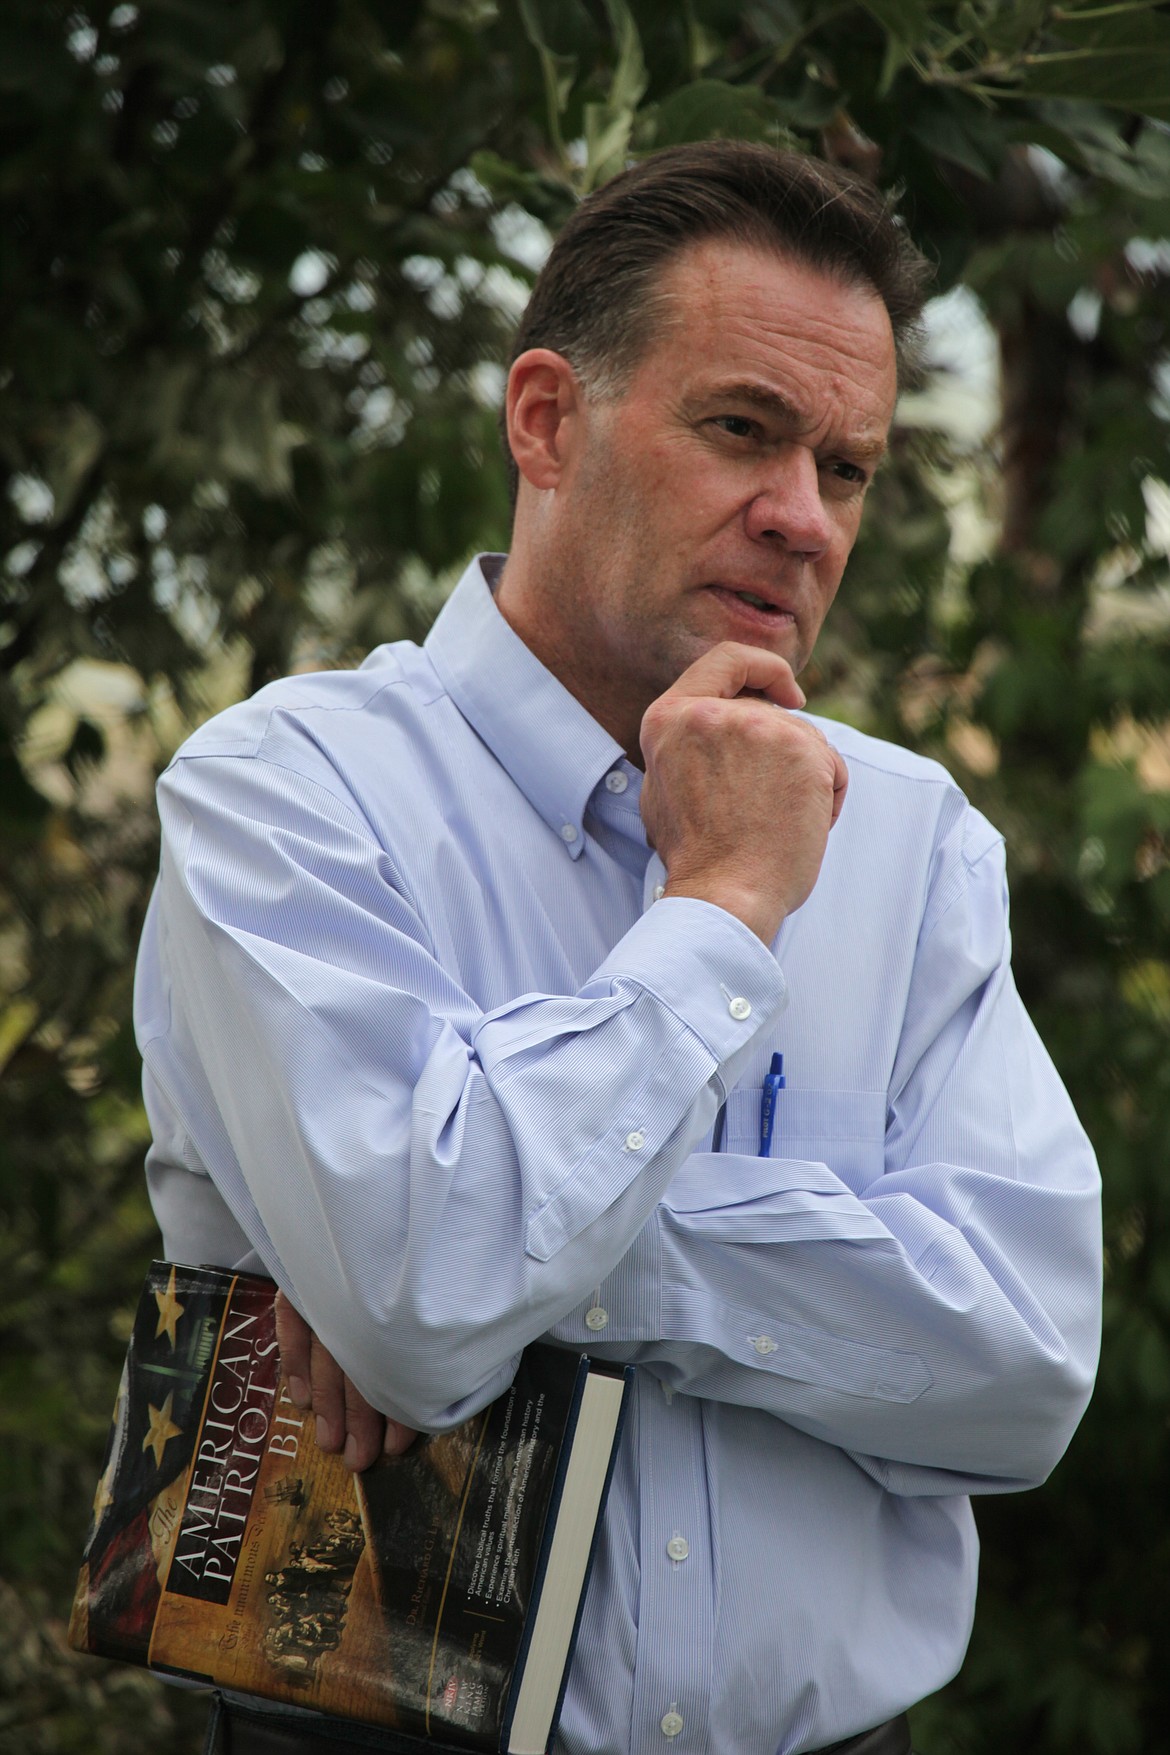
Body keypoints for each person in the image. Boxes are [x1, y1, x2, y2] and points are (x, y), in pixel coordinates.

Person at [134, 142, 1102, 1755]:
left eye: (847, 469)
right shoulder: (282, 796)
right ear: (544, 420)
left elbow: (1026, 1373)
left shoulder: (910, 835)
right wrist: (719, 908)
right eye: (740, 428)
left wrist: (520, 1247)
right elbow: (427, 1292)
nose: (801, 521)